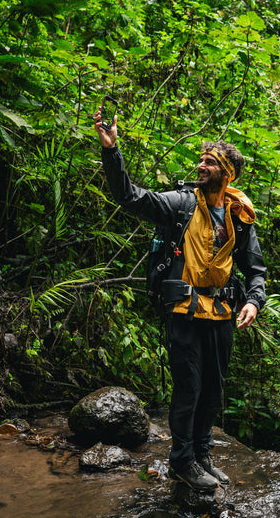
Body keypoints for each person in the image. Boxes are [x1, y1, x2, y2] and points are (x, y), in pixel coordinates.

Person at [94, 107, 267, 491]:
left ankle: (203, 455)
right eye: (201, 160)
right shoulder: (181, 203)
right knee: (188, 386)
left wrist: (254, 301)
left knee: (213, 389)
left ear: (228, 173)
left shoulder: (239, 216)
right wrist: (111, 149)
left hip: (222, 312)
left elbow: (255, 268)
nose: (201, 166)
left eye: (210, 162)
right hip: (184, 310)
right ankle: (182, 461)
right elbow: (130, 196)